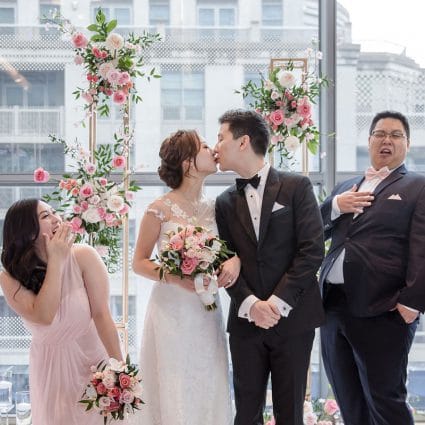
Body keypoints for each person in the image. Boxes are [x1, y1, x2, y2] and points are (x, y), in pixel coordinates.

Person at [214, 109, 325, 425]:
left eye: (221, 137)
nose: (216, 145)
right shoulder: (223, 202)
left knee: (289, 414)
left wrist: (274, 305)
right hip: (246, 323)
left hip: (294, 320)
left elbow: (312, 250)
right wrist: (251, 304)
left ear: (243, 141)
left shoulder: (297, 186)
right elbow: (224, 262)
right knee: (246, 414)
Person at [320, 110, 425, 425]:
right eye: (380, 133)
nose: (387, 140)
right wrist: (335, 206)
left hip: (384, 309)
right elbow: (312, 229)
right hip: (332, 307)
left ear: (406, 143)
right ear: (369, 141)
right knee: (348, 400)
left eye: (396, 135)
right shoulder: (347, 185)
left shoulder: (417, 186)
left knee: (385, 401)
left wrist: (412, 302)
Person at [132, 129, 240, 425]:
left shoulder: (216, 208)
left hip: (206, 307)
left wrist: (234, 260)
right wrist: (173, 276)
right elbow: (139, 263)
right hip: (172, 309)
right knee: (174, 381)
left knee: (209, 376)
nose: (213, 150)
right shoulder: (159, 210)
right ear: (187, 163)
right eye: (205, 146)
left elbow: (233, 251)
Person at [0, 199, 124, 425]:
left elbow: (102, 316)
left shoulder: (84, 256)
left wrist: (121, 370)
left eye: (55, 212)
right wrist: (56, 259)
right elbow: (44, 315)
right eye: (46, 216)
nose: (57, 219)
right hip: (51, 370)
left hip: (93, 362)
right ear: (26, 230)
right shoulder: (9, 277)